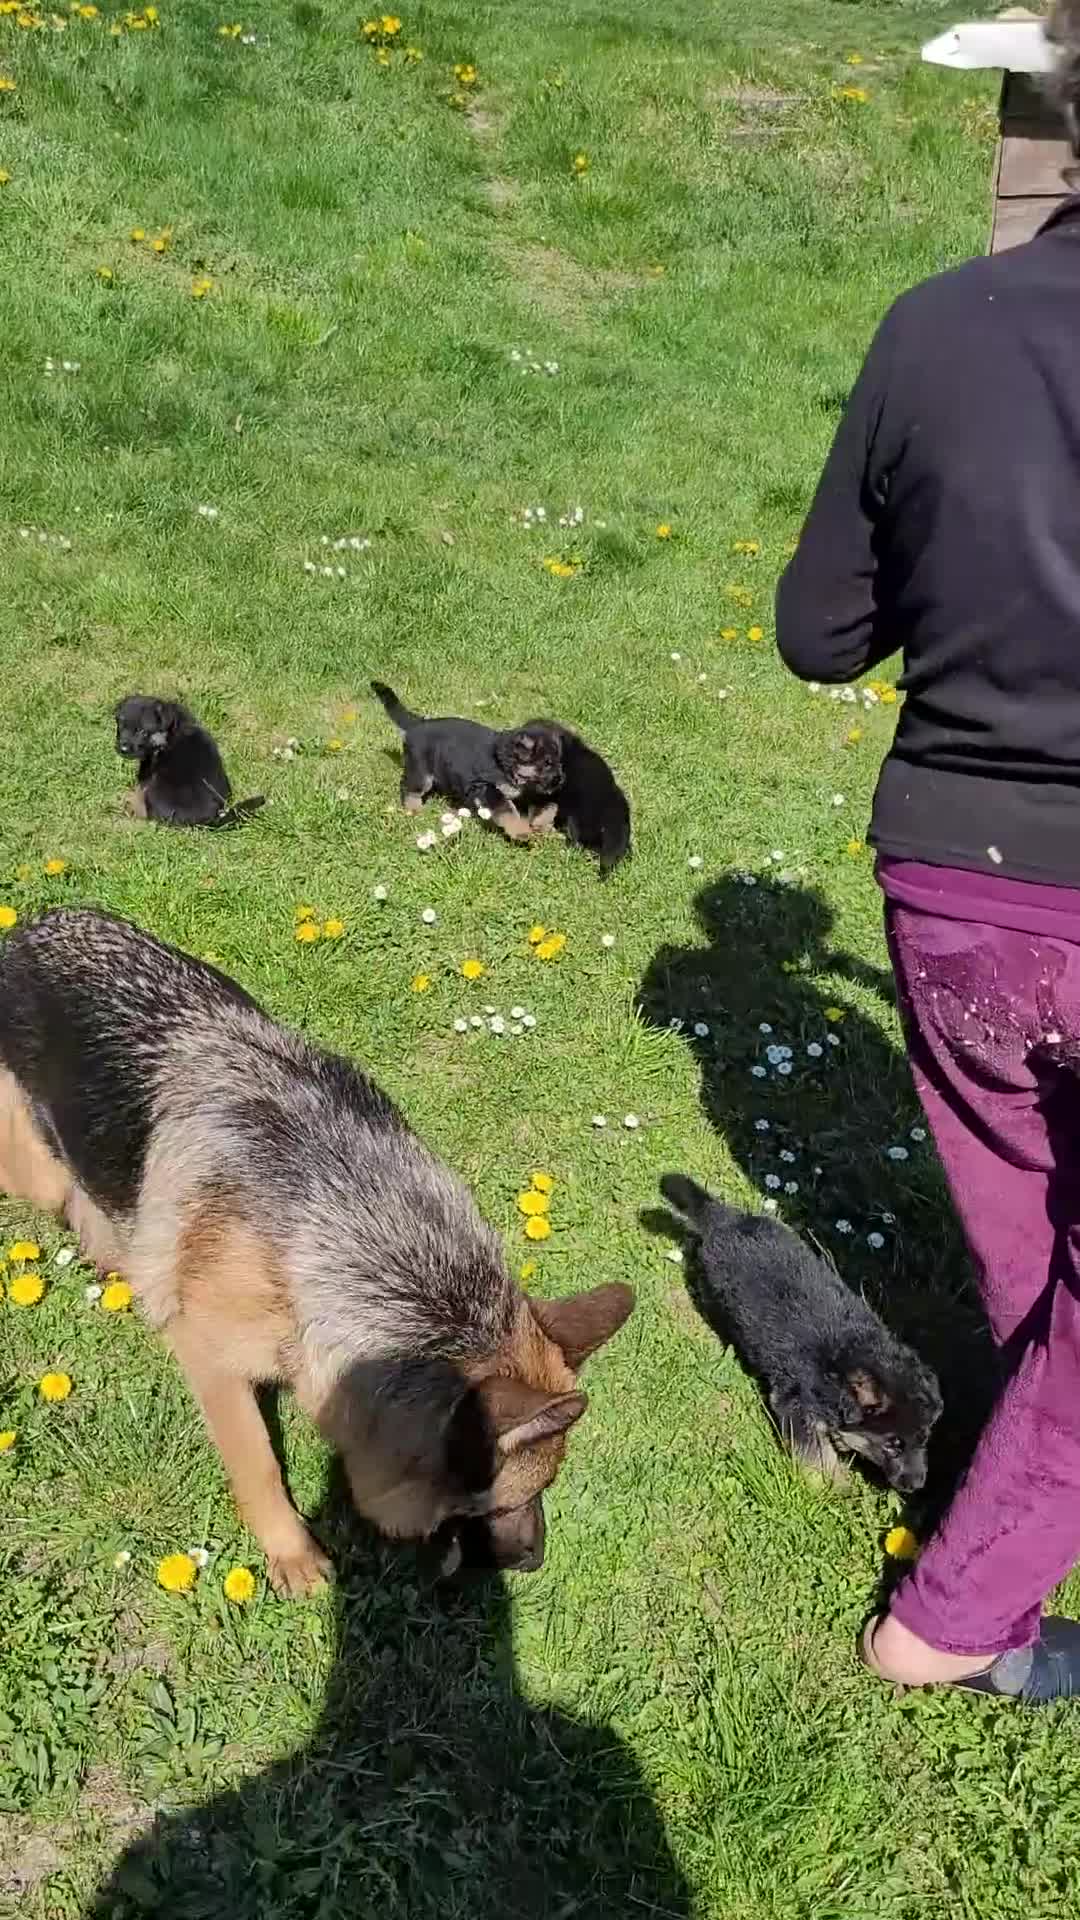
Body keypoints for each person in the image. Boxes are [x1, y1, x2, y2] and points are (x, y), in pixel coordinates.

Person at [774, 1, 1080, 1703]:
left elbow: (822, 630)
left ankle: (1019, 1520)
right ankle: (949, 1624)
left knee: (1037, 1236)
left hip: (958, 883)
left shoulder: (939, 325)